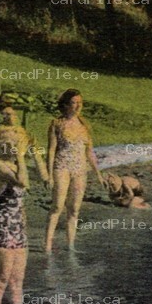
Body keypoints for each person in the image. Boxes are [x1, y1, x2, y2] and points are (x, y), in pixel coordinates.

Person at [0, 96, 48, 304]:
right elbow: (24, 182)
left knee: (18, 280)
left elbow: (22, 198)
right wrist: (21, 156)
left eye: (16, 143)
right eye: (10, 143)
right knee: (1, 279)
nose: (13, 146)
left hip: (17, 225)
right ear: (0, 145)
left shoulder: (13, 164)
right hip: (0, 226)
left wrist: (24, 224)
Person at [44, 89, 104, 252]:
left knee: (74, 209)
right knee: (57, 206)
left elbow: (89, 151)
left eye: (80, 103)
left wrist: (98, 173)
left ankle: (70, 245)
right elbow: (51, 150)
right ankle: (48, 245)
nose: (78, 106)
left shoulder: (84, 125)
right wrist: (48, 175)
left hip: (79, 168)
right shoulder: (56, 124)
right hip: (61, 166)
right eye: (74, 103)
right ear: (65, 105)